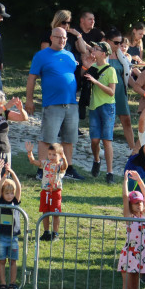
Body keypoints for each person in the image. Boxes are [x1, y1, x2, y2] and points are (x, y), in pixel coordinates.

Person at [26, 27, 84, 181]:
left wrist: (86, 67)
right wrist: (29, 100)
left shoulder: (70, 56)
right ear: (51, 38)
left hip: (71, 103)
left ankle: (68, 168)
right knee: (47, 138)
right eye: (58, 37)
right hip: (52, 103)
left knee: (69, 138)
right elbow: (32, 78)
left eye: (64, 38)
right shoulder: (41, 56)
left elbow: (76, 76)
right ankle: (42, 169)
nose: (62, 40)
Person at [83, 43, 118, 183]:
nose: (94, 51)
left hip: (107, 107)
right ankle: (96, 160)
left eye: (97, 49)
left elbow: (111, 92)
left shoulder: (111, 70)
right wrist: (86, 65)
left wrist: (96, 82)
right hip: (94, 107)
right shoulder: (93, 67)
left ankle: (110, 172)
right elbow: (82, 80)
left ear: (104, 53)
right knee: (94, 140)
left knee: (107, 140)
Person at [25, 141, 66, 241]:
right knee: (45, 211)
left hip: (55, 192)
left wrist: (64, 158)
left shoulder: (60, 165)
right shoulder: (45, 163)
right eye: (49, 154)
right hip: (45, 191)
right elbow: (33, 162)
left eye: (54, 155)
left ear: (60, 156)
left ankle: (55, 233)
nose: (51, 157)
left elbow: (65, 167)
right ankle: (46, 232)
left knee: (55, 213)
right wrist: (30, 153)